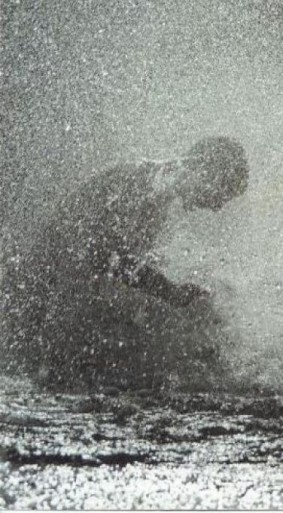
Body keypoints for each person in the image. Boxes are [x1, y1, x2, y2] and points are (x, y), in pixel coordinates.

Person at [1, 136, 249, 389]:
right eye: (223, 191)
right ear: (203, 169)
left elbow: (118, 257)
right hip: (35, 291)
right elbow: (103, 253)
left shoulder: (153, 184)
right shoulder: (148, 186)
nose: (218, 206)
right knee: (29, 381)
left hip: (41, 287)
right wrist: (169, 291)